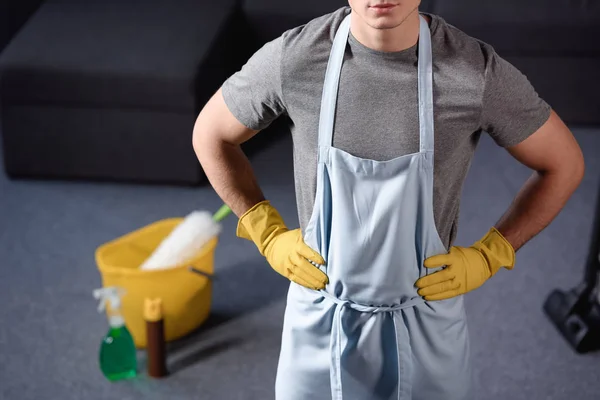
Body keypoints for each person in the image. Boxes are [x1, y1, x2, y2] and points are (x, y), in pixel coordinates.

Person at [192, 1, 584, 399]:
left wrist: (490, 255)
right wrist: (268, 234)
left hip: (428, 324)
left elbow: (564, 164)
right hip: (319, 322)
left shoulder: (474, 72)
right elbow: (210, 135)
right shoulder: (295, 58)